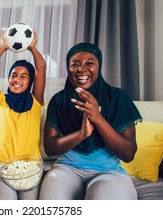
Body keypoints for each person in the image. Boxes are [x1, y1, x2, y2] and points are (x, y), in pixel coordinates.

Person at [39, 42, 142, 200]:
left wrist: (98, 119)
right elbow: (50, 148)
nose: (81, 69)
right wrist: (81, 134)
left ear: (98, 67)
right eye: (75, 64)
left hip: (108, 172)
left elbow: (128, 154)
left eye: (89, 63)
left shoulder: (118, 97)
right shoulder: (59, 100)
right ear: (68, 68)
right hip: (66, 169)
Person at [0, 29, 46, 199]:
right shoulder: (0, 101)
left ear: (31, 82)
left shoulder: (35, 102)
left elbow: (41, 67)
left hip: (30, 169)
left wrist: (32, 47)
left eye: (24, 76)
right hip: (0, 167)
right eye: (13, 75)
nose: (17, 79)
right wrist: (4, 46)